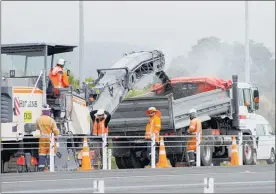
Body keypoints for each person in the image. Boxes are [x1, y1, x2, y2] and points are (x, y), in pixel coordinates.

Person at [35, 104, 59, 172]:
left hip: (42, 139)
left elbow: (37, 127)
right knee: (51, 153)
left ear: (42, 111)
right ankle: (50, 167)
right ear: (48, 111)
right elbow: (55, 130)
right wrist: (57, 136)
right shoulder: (51, 120)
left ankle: (41, 168)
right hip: (50, 139)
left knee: (42, 153)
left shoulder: (38, 119)